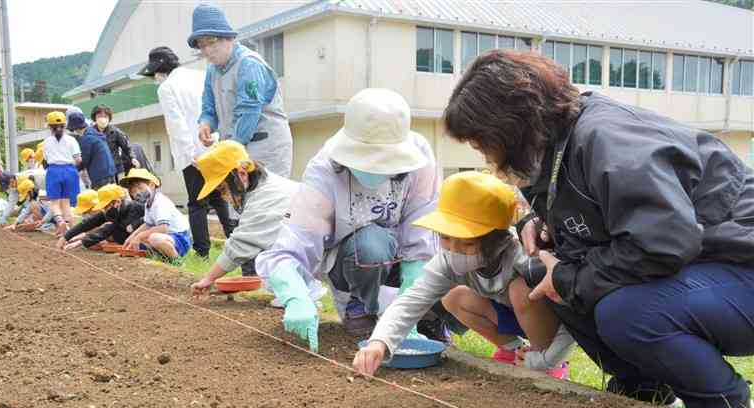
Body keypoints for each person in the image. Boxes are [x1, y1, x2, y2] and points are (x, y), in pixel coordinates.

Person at [443, 49, 754, 408]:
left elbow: (664, 243)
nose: (488, 156)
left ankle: (723, 405)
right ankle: (644, 388)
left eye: (483, 144)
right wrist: (542, 229)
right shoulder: (557, 143)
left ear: (510, 126)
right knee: (546, 273)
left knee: (625, 310)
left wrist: (567, 276)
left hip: (740, 267)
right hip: (701, 265)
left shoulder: (610, 142)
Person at [255, 88, 440, 352]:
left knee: (449, 253)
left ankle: (428, 318)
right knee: (372, 242)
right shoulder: (324, 173)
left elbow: (421, 230)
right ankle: (360, 304)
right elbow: (289, 248)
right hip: (355, 261)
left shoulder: (420, 157)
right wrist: (296, 296)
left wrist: (407, 314)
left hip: (400, 258)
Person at [353, 171, 572, 378]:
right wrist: (379, 342)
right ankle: (514, 351)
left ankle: (548, 364)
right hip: (512, 316)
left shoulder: (523, 255)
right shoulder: (447, 261)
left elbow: (574, 315)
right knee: (453, 296)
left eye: (466, 242)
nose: (453, 250)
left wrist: (546, 360)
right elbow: (410, 301)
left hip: (549, 321)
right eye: (446, 238)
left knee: (519, 290)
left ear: (497, 240)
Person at [140, 45, 235, 256]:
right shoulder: (200, 75)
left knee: (197, 203)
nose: (155, 77)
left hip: (192, 152)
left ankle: (202, 252)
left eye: (155, 73)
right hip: (215, 144)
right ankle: (235, 241)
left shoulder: (166, 87)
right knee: (221, 197)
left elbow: (177, 124)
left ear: (161, 69)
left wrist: (191, 152)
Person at [189, 2, 293, 179]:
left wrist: (225, 152)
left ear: (228, 38)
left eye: (211, 42)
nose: (207, 50)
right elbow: (208, 107)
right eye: (201, 45)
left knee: (266, 200)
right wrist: (205, 124)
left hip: (266, 148)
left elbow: (248, 111)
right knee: (237, 202)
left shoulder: (249, 65)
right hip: (235, 148)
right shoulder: (212, 70)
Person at [189, 140, 299, 296]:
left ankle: (298, 296)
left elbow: (240, 245)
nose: (223, 196)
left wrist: (208, 279)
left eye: (223, 188)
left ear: (241, 173)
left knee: (268, 262)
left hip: (332, 255)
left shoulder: (265, 199)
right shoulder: (265, 185)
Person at [120, 169, 191, 259]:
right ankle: (161, 255)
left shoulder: (160, 202)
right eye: (133, 191)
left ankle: (177, 260)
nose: (137, 193)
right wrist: (131, 238)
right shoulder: (148, 203)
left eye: (140, 188)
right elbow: (147, 224)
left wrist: (139, 236)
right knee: (140, 242)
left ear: (152, 185)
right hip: (169, 237)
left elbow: (163, 228)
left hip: (180, 237)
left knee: (154, 238)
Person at [58, 184, 144, 251]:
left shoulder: (134, 208)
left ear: (117, 202)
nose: (104, 210)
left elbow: (111, 228)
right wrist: (66, 237)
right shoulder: (113, 210)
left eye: (105, 206)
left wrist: (81, 242)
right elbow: (89, 223)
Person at [41, 111, 82, 235]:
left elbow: (46, 160)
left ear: (49, 126)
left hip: (53, 171)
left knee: (54, 202)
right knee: (67, 203)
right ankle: (71, 230)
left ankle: (60, 221)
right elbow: (78, 159)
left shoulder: (46, 142)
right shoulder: (72, 140)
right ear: (65, 125)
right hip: (70, 171)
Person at [67, 111, 117, 189]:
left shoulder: (87, 139)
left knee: (101, 199)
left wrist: (69, 170)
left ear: (75, 128)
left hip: (100, 176)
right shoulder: (95, 133)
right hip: (110, 173)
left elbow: (84, 160)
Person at [90, 104, 137, 178]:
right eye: (99, 116)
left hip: (116, 169)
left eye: (105, 116)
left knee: (118, 189)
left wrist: (133, 158)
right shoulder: (90, 133)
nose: (102, 119)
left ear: (109, 118)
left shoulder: (115, 132)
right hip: (98, 171)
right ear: (94, 118)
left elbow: (127, 147)